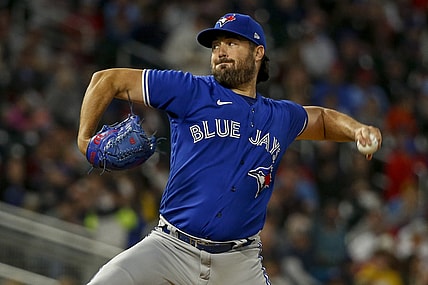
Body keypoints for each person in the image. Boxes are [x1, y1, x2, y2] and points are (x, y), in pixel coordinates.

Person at [77, 13, 382, 285]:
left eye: (232, 43)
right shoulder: (191, 90)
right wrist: (84, 139)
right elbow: (106, 80)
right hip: (169, 248)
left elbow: (323, 119)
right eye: (216, 45)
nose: (220, 50)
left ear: (258, 52)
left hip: (238, 262)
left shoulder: (279, 115)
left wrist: (358, 129)